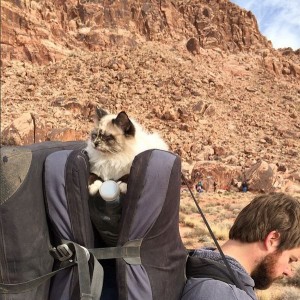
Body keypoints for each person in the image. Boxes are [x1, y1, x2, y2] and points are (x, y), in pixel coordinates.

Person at [181, 193, 300, 300]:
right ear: (272, 239)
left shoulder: (199, 266)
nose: (288, 272)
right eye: (290, 259)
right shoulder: (221, 293)